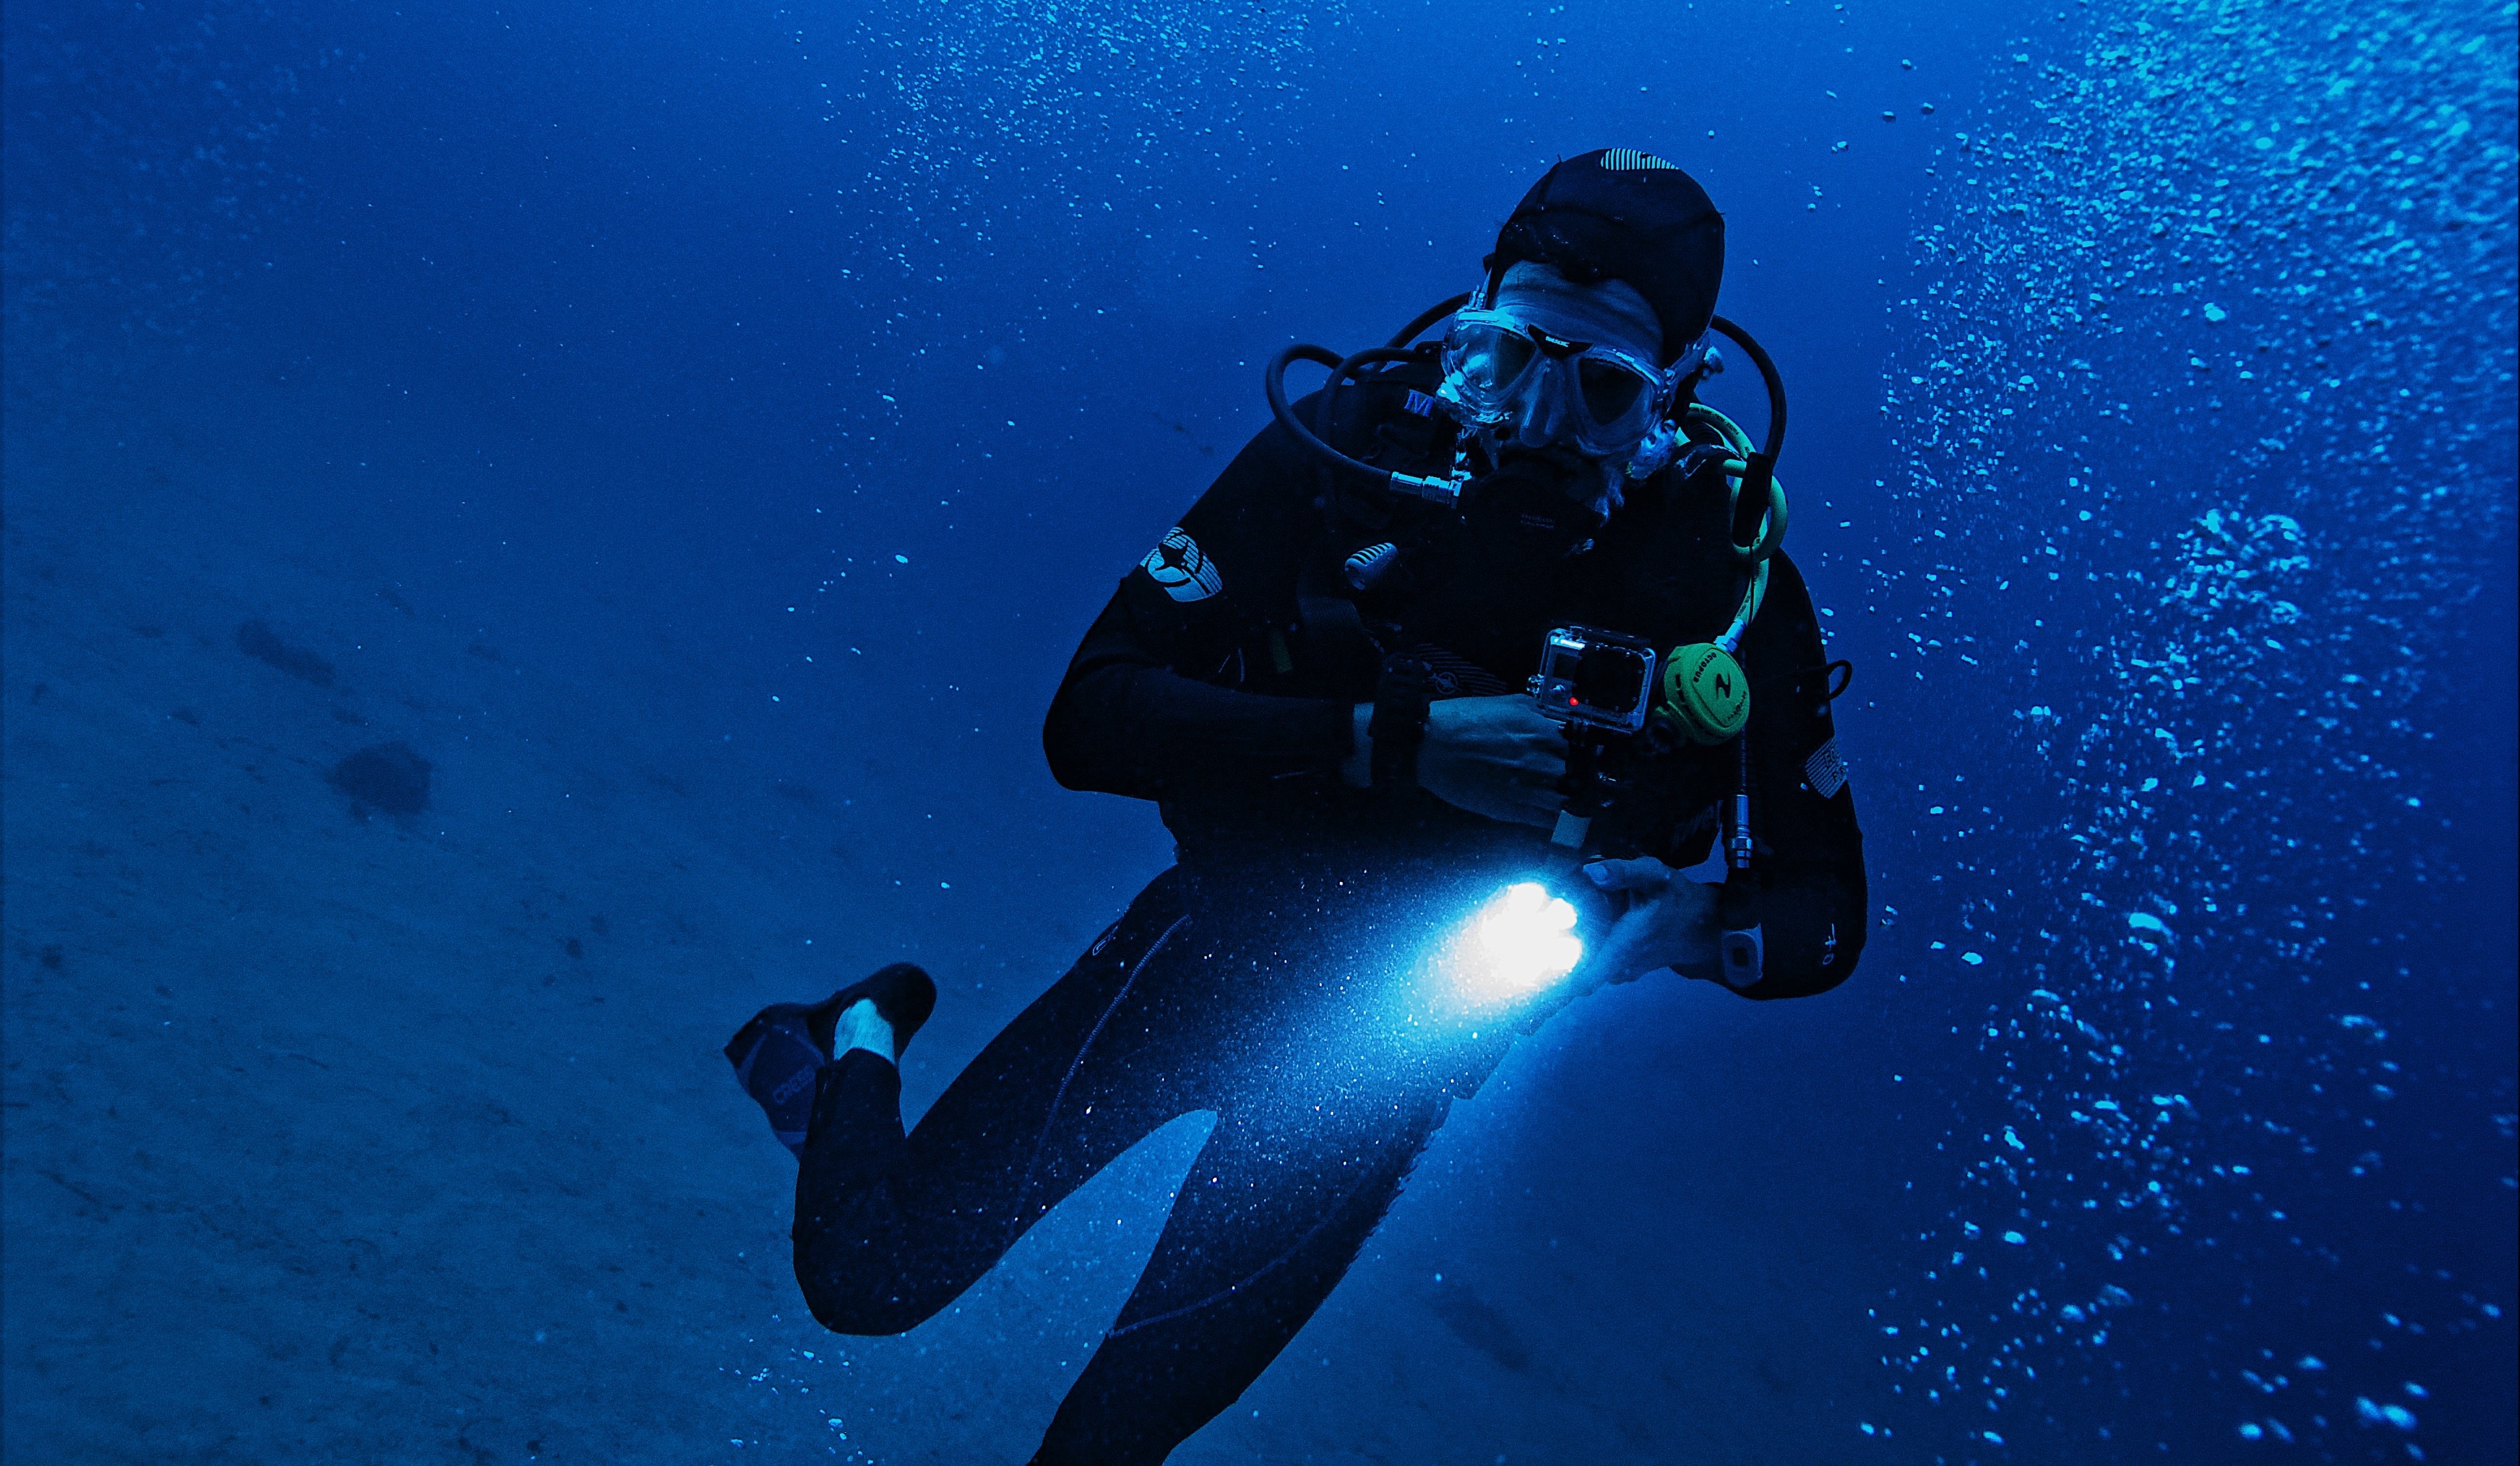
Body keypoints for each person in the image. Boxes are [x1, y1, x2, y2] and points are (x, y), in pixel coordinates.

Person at [723, 148, 1869, 1465]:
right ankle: (859, 1027)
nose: (1539, 422)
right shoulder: (1340, 458)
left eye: (1603, 387)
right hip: (1206, 945)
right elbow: (1085, 718)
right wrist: (1397, 742)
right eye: (1508, 361)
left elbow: (1828, 913)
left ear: (1672, 394)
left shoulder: (1723, 585)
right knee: (868, 1284)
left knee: (1108, 1444)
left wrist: (1681, 930)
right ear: (1471, 322)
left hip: (1390, 1068)